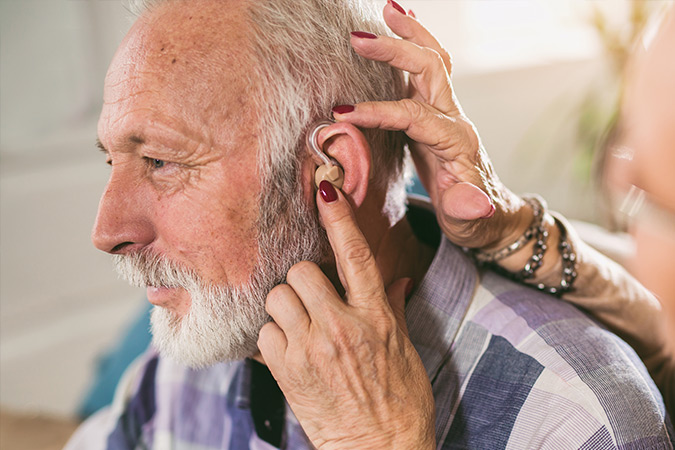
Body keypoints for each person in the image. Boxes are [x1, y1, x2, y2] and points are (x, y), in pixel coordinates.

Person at [66, 0, 672, 448]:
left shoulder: (571, 418)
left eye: (161, 162)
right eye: (111, 159)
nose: (107, 229)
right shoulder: (183, 365)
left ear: (333, 168)